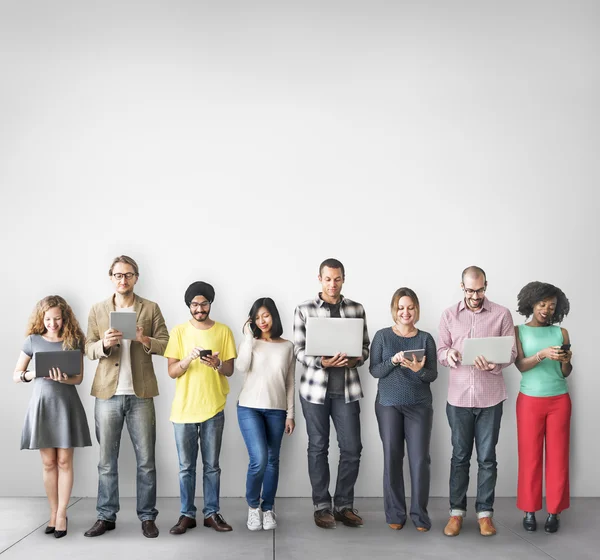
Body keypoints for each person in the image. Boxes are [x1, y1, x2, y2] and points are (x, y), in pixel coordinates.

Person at [84, 255, 169, 539]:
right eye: (118, 275)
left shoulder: (151, 308)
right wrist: (104, 345)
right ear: (111, 277)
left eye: (129, 275)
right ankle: (106, 517)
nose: (124, 280)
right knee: (106, 461)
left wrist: (144, 340)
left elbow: (166, 344)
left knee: (146, 460)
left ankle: (147, 517)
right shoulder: (97, 310)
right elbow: (88, 347)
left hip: (141, 394)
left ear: (136, 277)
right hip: (107, 394)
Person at [437, 266, 516, 537]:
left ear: (486, 286)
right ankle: (456, 513)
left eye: (480, 290)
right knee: (459, 457)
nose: (475, 295)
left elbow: (512, 354)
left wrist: (495, 364)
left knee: (487, 459)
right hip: (458, 399)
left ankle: (485, 514)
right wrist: (450, 355)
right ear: (462, 287)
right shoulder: (448, 315)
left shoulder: (502, 314)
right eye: (470, 290)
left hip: (490, 398)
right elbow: (440, 350)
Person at [294, 258, 370, 529]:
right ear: (320, 279)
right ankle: (322, 506)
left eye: (337, 279)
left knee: (352, 448)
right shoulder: (304, 309)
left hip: (346, 390)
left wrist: (355, 359)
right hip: (315, 391)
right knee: (318, 447)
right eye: (328, 279)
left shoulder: (356, 309)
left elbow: (365, 347)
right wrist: (321, 362)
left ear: (343, 279)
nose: (333, 284)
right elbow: (299, 350)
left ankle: (344, 505)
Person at [14, 295, 92, 539]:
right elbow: (16, 375)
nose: (52, 323)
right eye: (48, 318)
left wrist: (64, 379)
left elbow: (78, 378)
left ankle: (61, 515)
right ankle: (52, 512)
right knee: (48, 463)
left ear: (64, 317)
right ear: (42, 318)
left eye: (57, 318)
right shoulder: (33, 341)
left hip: (66, 405)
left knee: (64, 462)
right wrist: (32, 374)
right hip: (42, 406)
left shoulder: (74, 340)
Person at [165, 281, 237, 534]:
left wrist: (217, 363)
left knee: (212, 466)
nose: (199, 308)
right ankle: (186, 514)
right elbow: (172, 371)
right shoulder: (178, 332)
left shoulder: (224, 331)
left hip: (213, 408)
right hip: (184, 410)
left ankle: (211, 513)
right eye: (195, 304)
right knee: (186, 467)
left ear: (210, 304)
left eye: (204, 303)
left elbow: (229, 370)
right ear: (189, 306)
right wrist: (188, 359)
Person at [369, 288, 438, 532]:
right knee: (392, 458)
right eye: (401, 307)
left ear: (416, 309)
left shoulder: (426, 339)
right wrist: (394, 361)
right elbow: (375, 371)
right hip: (388, 404)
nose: (405, 312)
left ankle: (420, 515)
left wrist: (418, 369)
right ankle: (396, 513)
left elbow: (432, 376)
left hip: (419, 406)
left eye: (410, 307)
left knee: (420, 461)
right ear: (394, 310)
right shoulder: (382, 336)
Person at [514, 282, 572, 534]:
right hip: (529, 401)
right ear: (531, 303)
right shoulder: (519, 331)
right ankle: (529, 510)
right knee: (530, 458)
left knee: (558, 458)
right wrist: (542, 354)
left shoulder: (562, 333)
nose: (547, 310)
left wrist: (567, 361)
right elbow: (520, 366)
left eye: (552, 306)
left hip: (559, 400)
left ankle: (554, 512)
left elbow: (565, 373)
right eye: (542, 304)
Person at [237, 297, 295, 531]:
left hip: (277, 410)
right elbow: (241, 367)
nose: (262, 321)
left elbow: (290, 382)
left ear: (274, 316)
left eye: (266, 315)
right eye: (258, 317)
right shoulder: (249, 342)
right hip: (249, 407)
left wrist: (290, 414)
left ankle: (268, 508)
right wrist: (248, 339)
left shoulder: (288, 346)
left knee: (272, 462)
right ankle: (253, 508)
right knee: (259, 460)